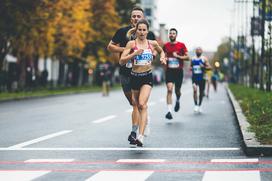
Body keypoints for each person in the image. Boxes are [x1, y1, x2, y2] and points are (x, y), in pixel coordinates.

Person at [107, 7, 156, 146]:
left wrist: (155, 55)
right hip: (125, 72)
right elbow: (110, 47)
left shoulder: (148, 34)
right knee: (132, 103)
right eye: (133, 16)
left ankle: (135, 132)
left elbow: (155, 51)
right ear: (131, 19)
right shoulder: (122, 32)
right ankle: (143, 119)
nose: (135, 18)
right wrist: (127, 50)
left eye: (138, 16)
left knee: (137, 103)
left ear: (143, 18)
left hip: (142, 73)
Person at [120, 19, 166, 147]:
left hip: (147, 77)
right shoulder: (131, 44)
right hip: (135, 77)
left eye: (144, 30)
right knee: (137, 105)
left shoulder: (152, 43)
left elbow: (161, 51)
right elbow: (121, 61)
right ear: (136, 30)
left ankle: (140, 136)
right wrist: (134, 54)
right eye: (139, 29)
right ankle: (145, 121)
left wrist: (162, 57)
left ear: (147, 31)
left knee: (142, 104)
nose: (141, 32)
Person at [163, 28, 189, 120]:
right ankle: (169, 111)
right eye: (170, 33)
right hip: (169, 71)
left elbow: (187, 57)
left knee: (177, 91)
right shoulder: (165, 45)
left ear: (176, 35)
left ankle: (177, 100)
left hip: (178, 71)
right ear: (169, 35)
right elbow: (163, 55)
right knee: (169, 89)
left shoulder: (181, 45)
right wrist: (164, 59)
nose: (172, 35)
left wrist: (178, 56)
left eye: (173, 33)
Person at [191, 47, 211, 113]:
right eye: (197, 50)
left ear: (201, 51)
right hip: (194, 77)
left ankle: (200, 105)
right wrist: (191, 68)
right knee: (195, 90)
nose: (198, 51)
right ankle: (196, 105)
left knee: (201, 92)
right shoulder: (193, 59)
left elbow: (210, 67)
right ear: (195, 51)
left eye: (199, 50)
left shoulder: (204, 59)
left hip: (202, 78)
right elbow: (191, 67)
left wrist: (204, 67)